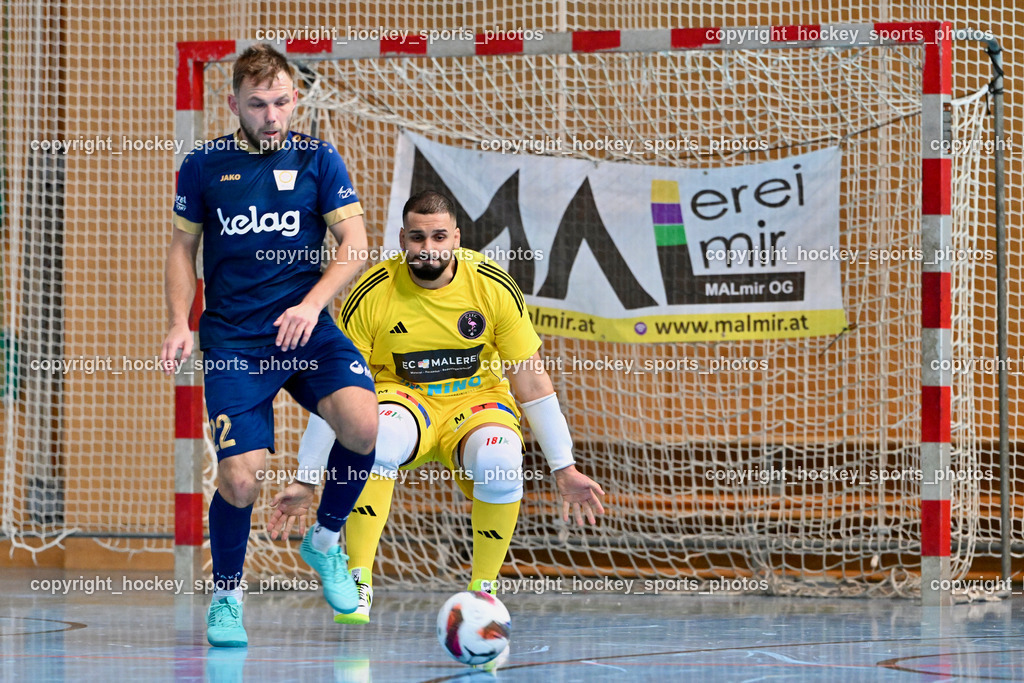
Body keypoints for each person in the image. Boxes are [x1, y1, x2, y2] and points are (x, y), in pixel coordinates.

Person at [267, 189, 606, 624]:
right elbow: (338, 393)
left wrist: (564, 467)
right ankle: (358, 577)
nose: (428, 248)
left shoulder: (492, 286)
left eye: (439, 237)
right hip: (404, 401)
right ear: (402, 239)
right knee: (376, 437)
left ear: (457, 239)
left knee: (502, 461)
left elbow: (532, 380)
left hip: (477, 403)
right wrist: (307, 478)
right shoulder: (373, 293)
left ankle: (483, 591)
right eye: (418, 238)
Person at [161, 43, 379, 647]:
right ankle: (227, 597)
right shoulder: (204, 165)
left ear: (295, 98)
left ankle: (326, 541)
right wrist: (182, 321)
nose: (272, 115)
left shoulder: (319, 158)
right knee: (239, 480)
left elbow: (354, 244)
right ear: (234, 104)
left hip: (306, 328)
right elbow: (182, 248)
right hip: (235, 339)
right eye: (258, 104)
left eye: (281, 101)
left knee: (365, 425)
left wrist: (312, 305)